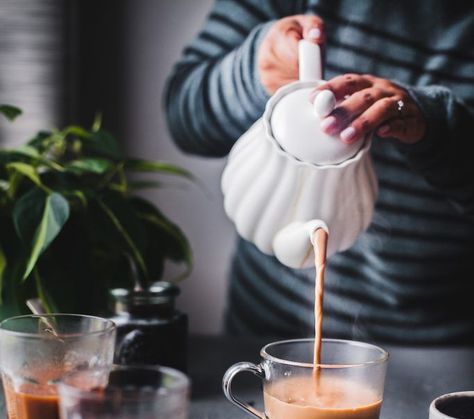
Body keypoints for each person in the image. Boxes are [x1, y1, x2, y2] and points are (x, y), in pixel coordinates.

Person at [164, 1, 474, 344]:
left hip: (440, 352)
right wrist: (255, 69)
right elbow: (182, 115)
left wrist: (438, 125)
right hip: (265, 333)